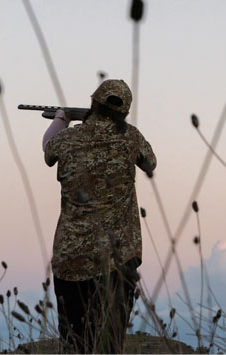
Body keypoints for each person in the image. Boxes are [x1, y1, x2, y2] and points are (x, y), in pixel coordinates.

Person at [43, 79, 156, 353]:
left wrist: (62, 117)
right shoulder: (131, 137)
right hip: (118, 262)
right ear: (125, 112)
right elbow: (150, 162)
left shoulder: (68, 138)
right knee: (109, 345)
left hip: (71, 261)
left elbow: (48, 151)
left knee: (74, 344)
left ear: (92, 102)